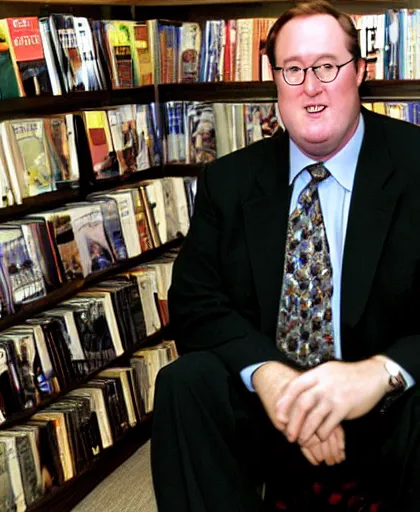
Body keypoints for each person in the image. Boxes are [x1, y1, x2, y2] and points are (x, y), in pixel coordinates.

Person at [151, 2, 420, 511]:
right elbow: (193, 301)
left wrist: (383, 371)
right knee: (184, 384)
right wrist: (271, 376)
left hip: (388, 410)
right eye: (293, 69)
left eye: (326, 66)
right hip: (268, 415)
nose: (310, 86)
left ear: (360, 71)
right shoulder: (229, 182)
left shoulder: (414, 165)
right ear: (274, 79)